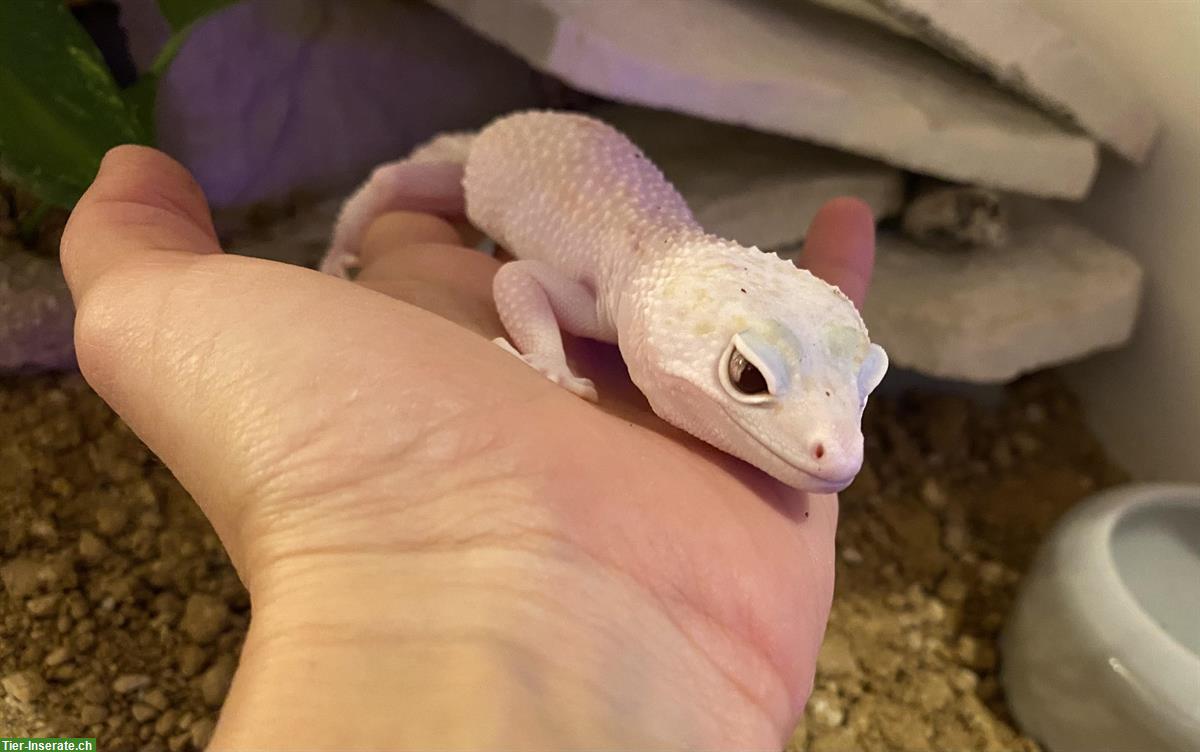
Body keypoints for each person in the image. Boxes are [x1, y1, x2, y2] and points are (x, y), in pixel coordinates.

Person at [60, 145, 876, 750]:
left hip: (606, 188)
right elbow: (513, 281)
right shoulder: (618, 295)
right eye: (748, 375)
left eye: (862, 383)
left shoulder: (652, 292)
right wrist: (545, 364)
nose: (836, 454)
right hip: (502, 157)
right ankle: (340, 246)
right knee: (389, 189)